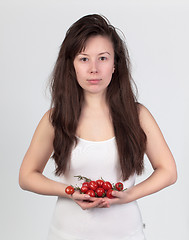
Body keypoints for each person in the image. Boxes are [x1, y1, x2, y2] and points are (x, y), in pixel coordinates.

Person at [19, 14, 177, 240]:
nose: (94, 69)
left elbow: (168, 171)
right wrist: (71, 192)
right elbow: (26, 176)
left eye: (102, 58)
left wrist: (129, 195)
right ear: (71, 65)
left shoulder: (137, 115)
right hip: (66, 234)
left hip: (127, 234)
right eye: (84, 59)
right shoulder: (55, 118)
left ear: (115, 64)